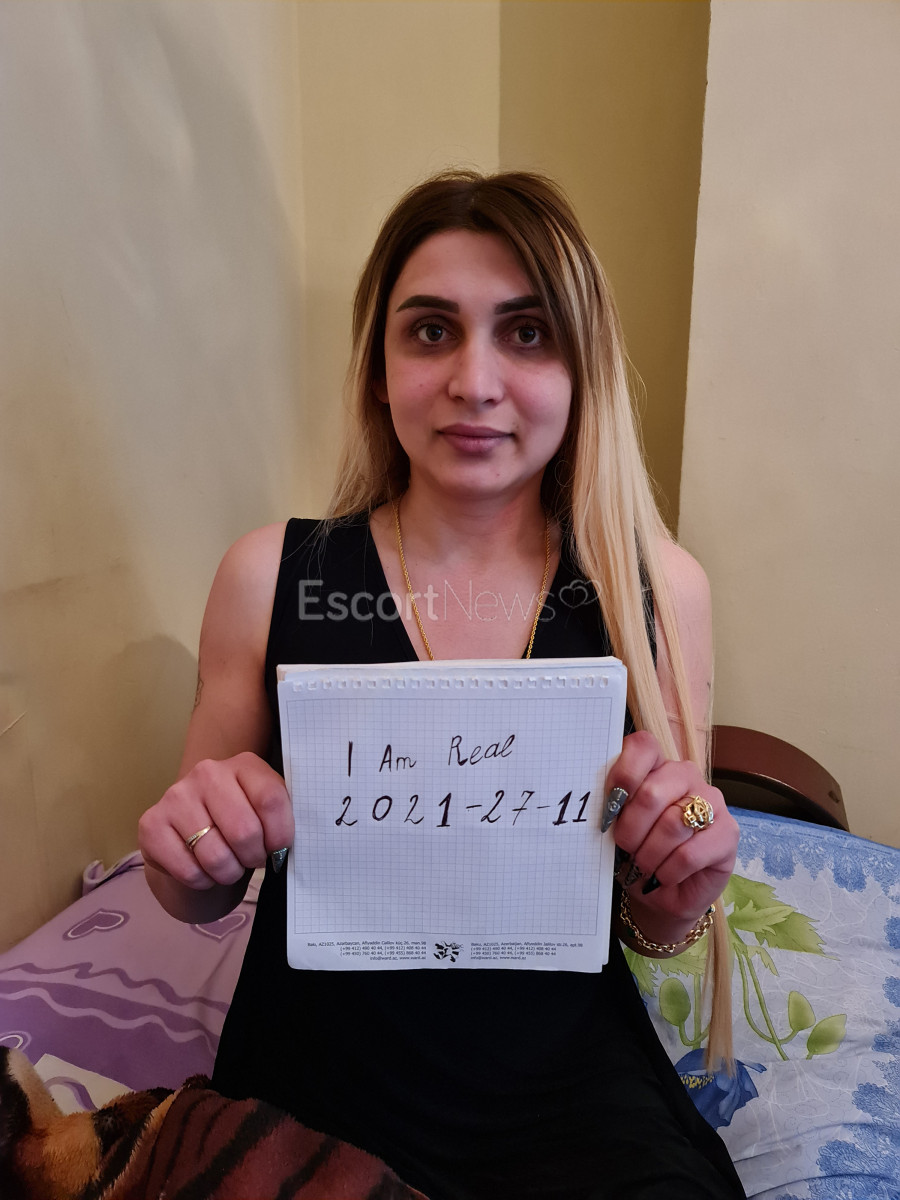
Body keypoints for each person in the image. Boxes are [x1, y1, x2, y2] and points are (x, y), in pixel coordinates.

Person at [138, 170, 744, 1199]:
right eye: (431, 331)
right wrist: (194, 843)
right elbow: (193, 891)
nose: (475, 380)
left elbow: (652, 923)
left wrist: (682, 882)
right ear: (379, 370)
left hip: (569, 1076)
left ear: (582, 368)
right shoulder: (269, 576)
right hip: (314, 1062)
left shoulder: (657, 591)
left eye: (527, 333)